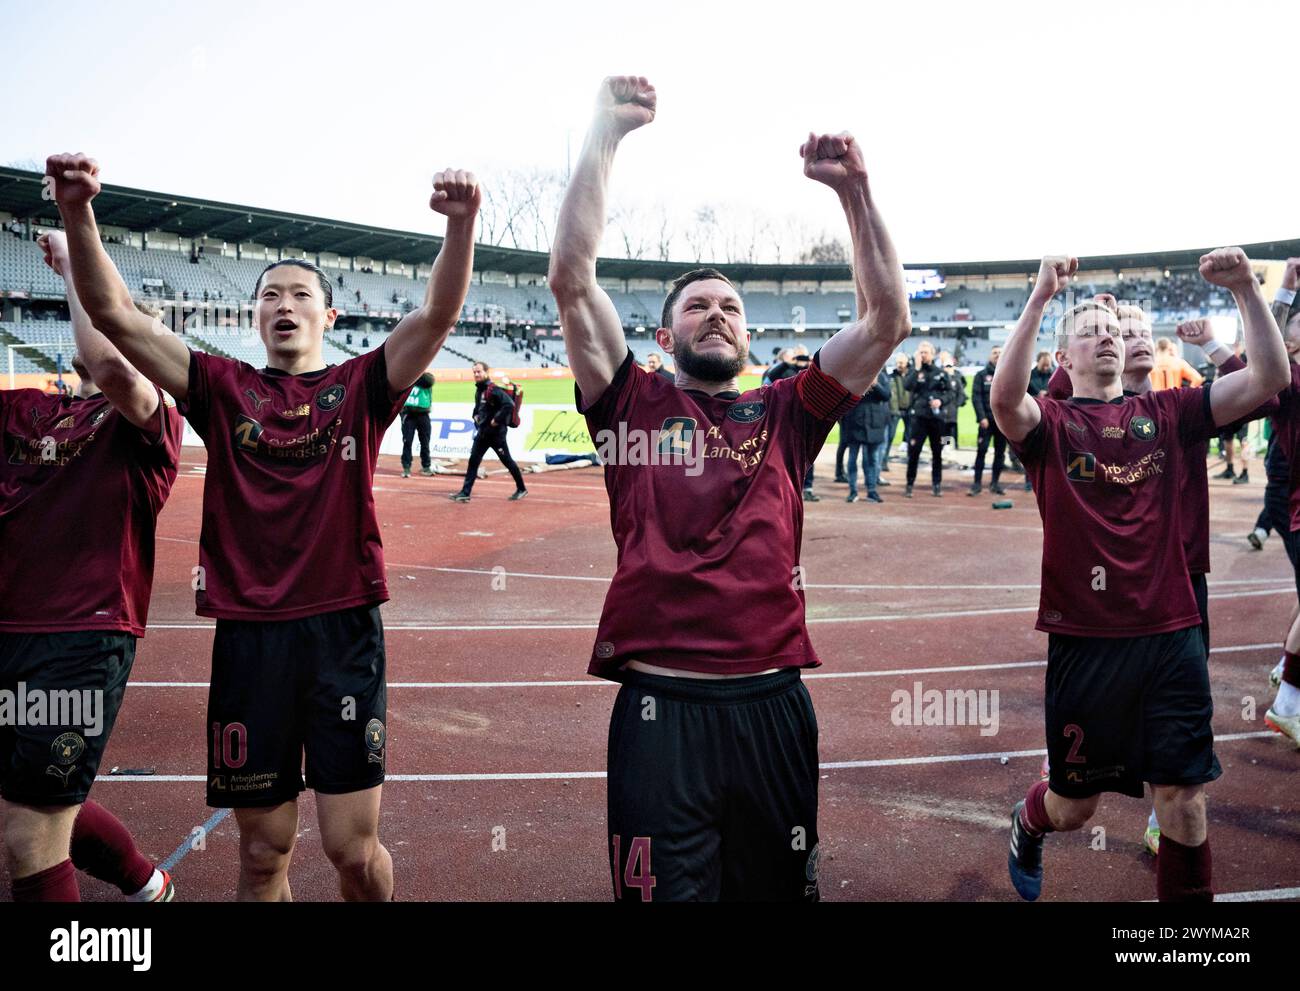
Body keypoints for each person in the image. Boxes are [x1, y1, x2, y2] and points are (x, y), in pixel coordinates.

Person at [49, 151, 480, 901]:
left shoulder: (362, 385)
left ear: (328, 315)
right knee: (260, 854)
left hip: (344, 633)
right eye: (271, 294)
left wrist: (462, 226)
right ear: (254, 316)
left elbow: (438, 313)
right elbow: (116, 315)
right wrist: (77, 210)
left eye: (301, 294)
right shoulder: (220, 387)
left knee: (353, 850)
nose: (285, 303)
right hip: (251, 639)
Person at [548, 76, 909, 901]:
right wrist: (604, 136)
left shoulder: (790, 409)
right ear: (663, 331)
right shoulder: (630, 400)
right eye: (698, 305)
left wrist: (855, 191)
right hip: (658, 714)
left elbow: (887, 319)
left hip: (773, 706)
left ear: (750, 333)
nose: (717, 314)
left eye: (732, 307)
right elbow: (572, 277)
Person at [993, 249, 1287, 903]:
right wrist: (1040, 299)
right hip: (1088, 644)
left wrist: (1245, 288)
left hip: (1172, 633)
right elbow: (1005, 399)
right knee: (1077, 807)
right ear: (1063, 360)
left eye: (1113, 326)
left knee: (1183, 798)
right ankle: (1029, 819)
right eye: (1089, 327)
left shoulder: (1172, 412)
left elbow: (1269, 376)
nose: (1105, 332)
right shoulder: (1053, 426)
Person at [0, 231, 182, 902]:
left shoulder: (150, 420)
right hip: (7, 627)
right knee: (31, 797)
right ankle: (144, 880)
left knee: (29, 832)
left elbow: (104, 362)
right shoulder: (24, 409)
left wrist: (77, 266)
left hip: (80, 635)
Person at [1261, 256, 1300, 747]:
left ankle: (1288, 691)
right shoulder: (1290, 386)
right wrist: (1284, 293)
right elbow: (1260, 352)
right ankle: (1288, 699)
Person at [450, 362, 527, 502]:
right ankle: (465, 492)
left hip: (497, 435)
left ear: (486, 372)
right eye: (474, 372)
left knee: (507, 461)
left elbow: (509, 404)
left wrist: (496, 420)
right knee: (473, 461)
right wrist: (475, 416)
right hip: (483, 434)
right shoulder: (479, 390)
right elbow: (478, 408)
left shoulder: (494, 389)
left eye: (478, 372)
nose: (476, 374)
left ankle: (521, 488)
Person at [903, 341, 950, 497]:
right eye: (920, 352)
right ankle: (910, 484)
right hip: (919, 418)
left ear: (933, 354)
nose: (922, 355)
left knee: (937, 452)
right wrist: (916, 369)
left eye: (925, 352)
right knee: (913, 451)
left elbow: (951, 393)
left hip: (937, 419)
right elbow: (907, 386)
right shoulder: (915, 371)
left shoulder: (941, 372)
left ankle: (937, 484)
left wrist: (941, 401)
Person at [838, 367, 891, 502]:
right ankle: (853, 491)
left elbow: (886, 395)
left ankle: (871, 490)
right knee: (853, 458)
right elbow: (844, 395)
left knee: (872, 459)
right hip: (855, 421)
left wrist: (875, 384)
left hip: (874, 423)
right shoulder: (853, 373)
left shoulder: (882, 376)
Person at [969, 346, 1006, 495]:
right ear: (990, 356)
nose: (997, 355)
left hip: (1003, 423)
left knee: (1000, 453)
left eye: (1000, 353)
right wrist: (981, 417)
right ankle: (977, 484)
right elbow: (976, 398)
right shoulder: (980, 375)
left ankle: (995, 483)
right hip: (986, 421)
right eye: (995, 353)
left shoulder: (1007, 375)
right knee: (981, 451)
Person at [400, 371, 435, 477]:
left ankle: (426, 466)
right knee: (407, 441)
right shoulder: (404, 378)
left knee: (425, 442)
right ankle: (406, 468)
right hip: (408, 414)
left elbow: (429, 381)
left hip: (423, 414)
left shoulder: (425, 378)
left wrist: (417, 372)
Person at [885, 352, 911, 470]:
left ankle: (911, 460)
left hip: (909, 411)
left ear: (907, 363)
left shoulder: (912, 376)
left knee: (911, 436)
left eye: (902, 362)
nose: (899, 365)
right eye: (898, 363)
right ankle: (883, 460)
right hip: (895, 411)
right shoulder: (891, 377)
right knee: (889, 436)